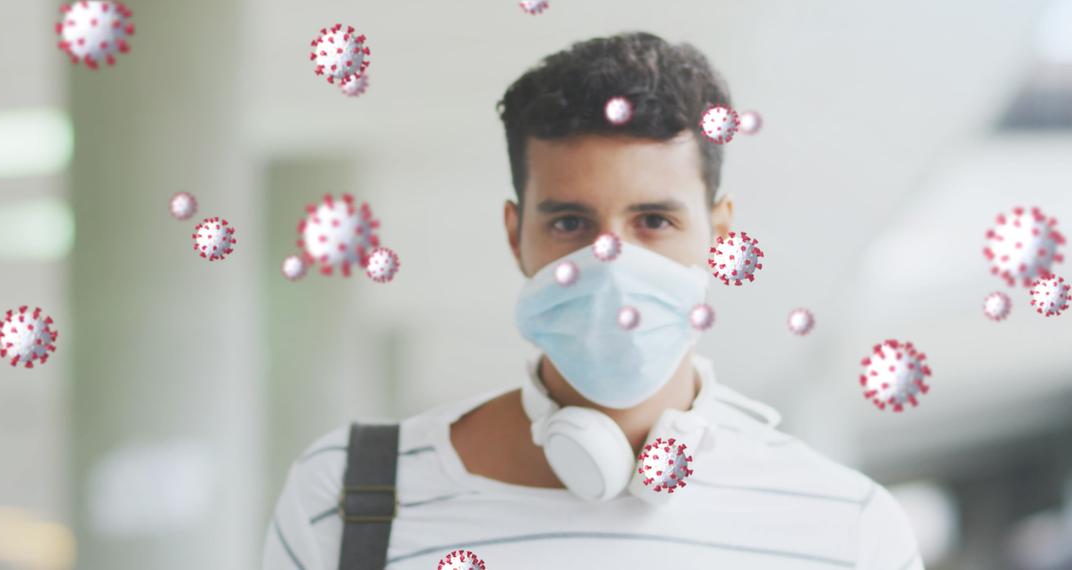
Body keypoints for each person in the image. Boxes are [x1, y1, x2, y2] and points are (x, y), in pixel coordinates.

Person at [263, 31, 923, 569]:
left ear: (719, 237)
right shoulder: (350, 495)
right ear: (515, 235)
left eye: (654, 222)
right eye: (571, 224)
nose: (611, 267)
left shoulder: (846, 529)